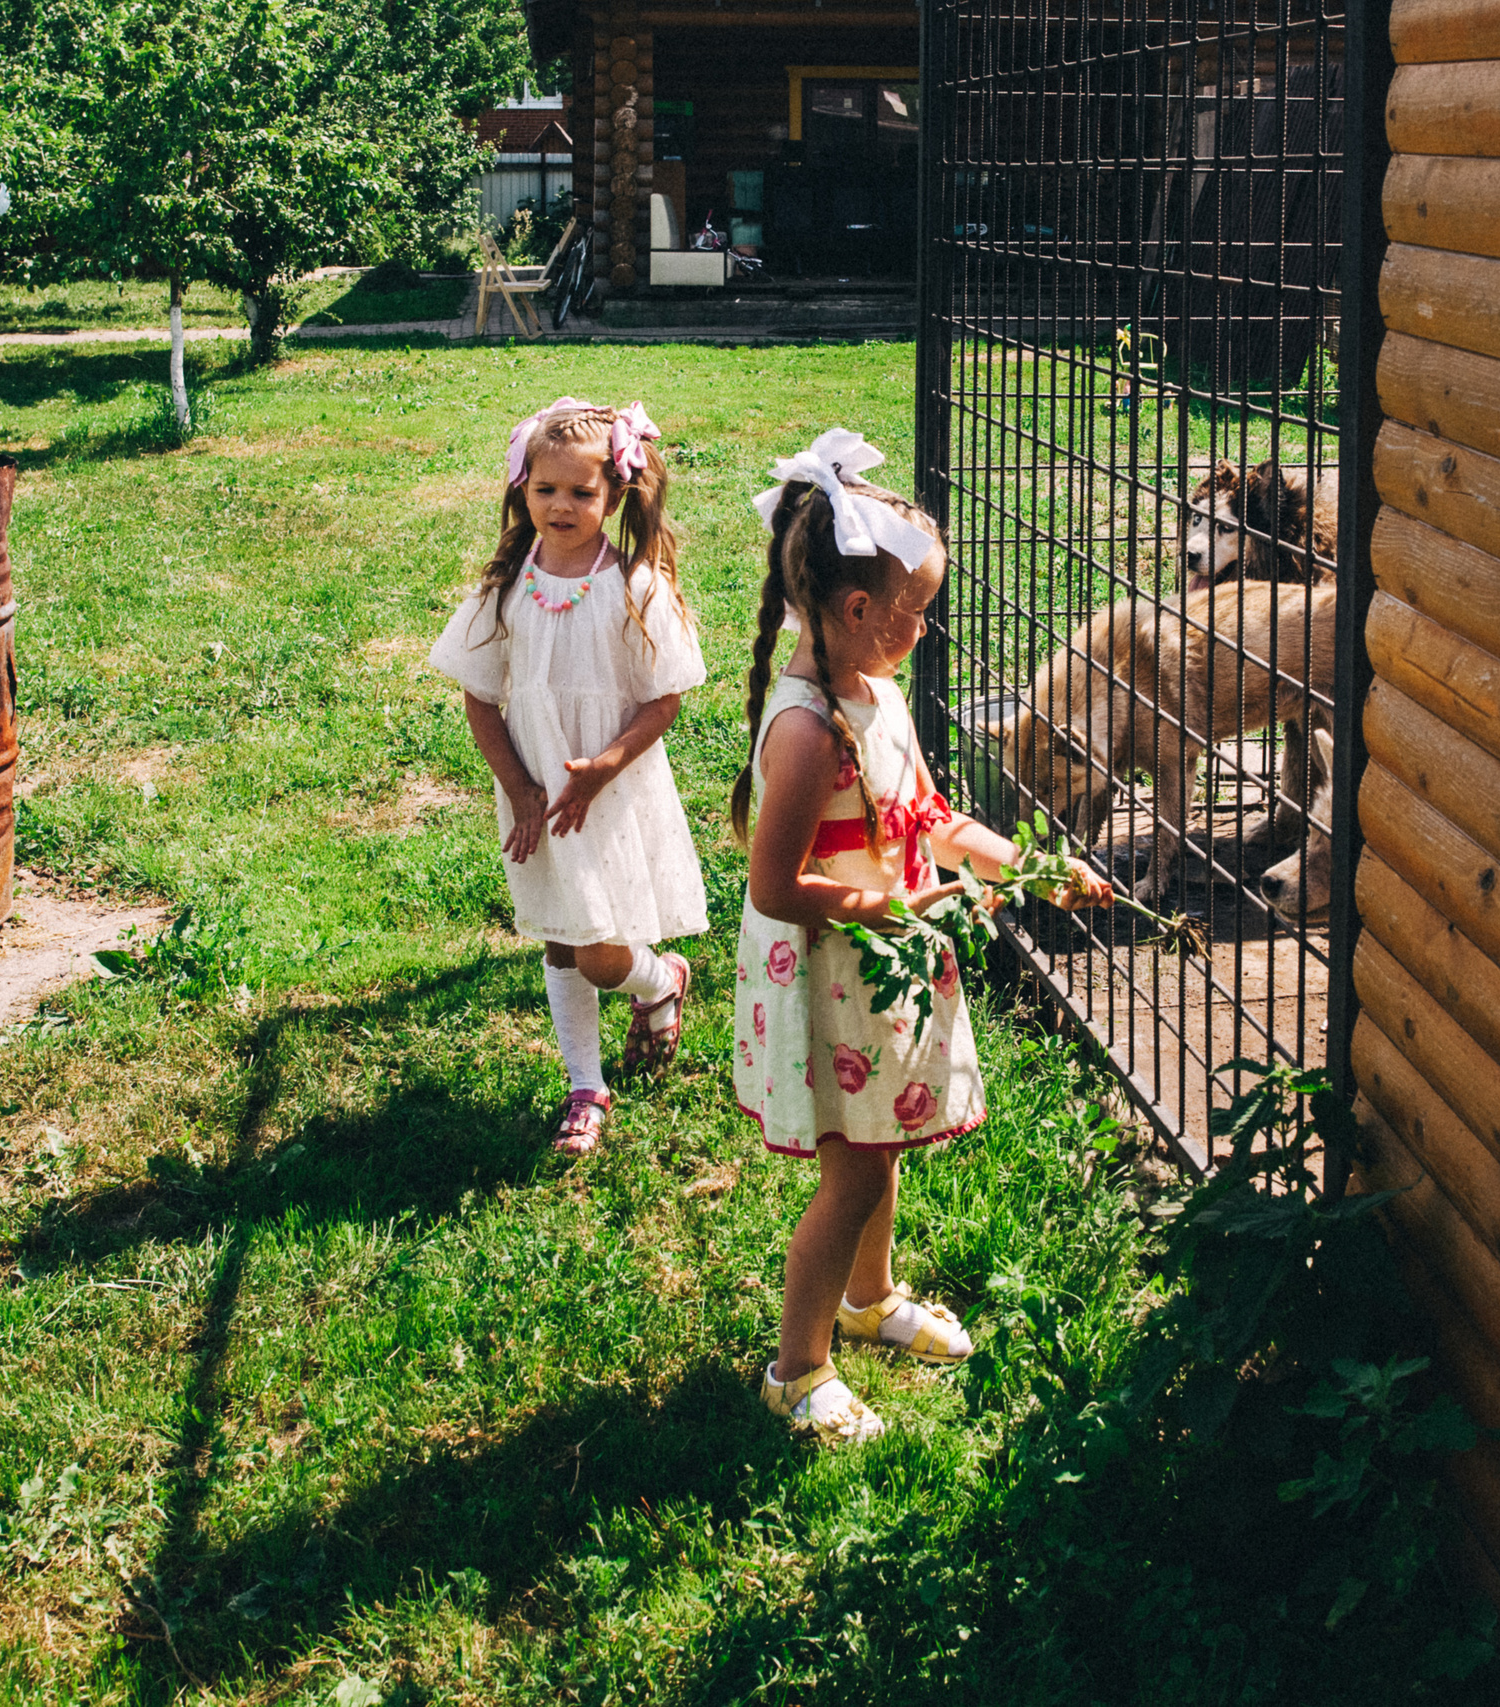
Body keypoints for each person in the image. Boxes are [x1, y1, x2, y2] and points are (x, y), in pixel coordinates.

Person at [731, 429, 1112, 1442]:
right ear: (858, 611)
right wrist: (898, 909)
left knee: (882, 1142)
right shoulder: (809, 730)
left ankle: (869, 1299)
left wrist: (1026, 867)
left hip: (885, 964)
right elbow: (776, 887)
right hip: (836, 968)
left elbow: (927, 820)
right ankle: (797, 1368)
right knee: (851, 1171)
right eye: (919, 612)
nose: (926, 630)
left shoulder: (876, 691)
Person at [431, 398, 708, 1155]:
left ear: (615, 496)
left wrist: (604, 767)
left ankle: (658, 980)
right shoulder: (505, 588)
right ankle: (585, 1084)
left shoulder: (634, 588)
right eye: (546, 489)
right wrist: (521, 786)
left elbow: (664, 699)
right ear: (522, 489)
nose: (562, 505)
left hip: (606, 795)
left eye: (582, 493)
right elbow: (480, 695)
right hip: (540, 794)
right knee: (560, 937)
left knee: (599, 949)